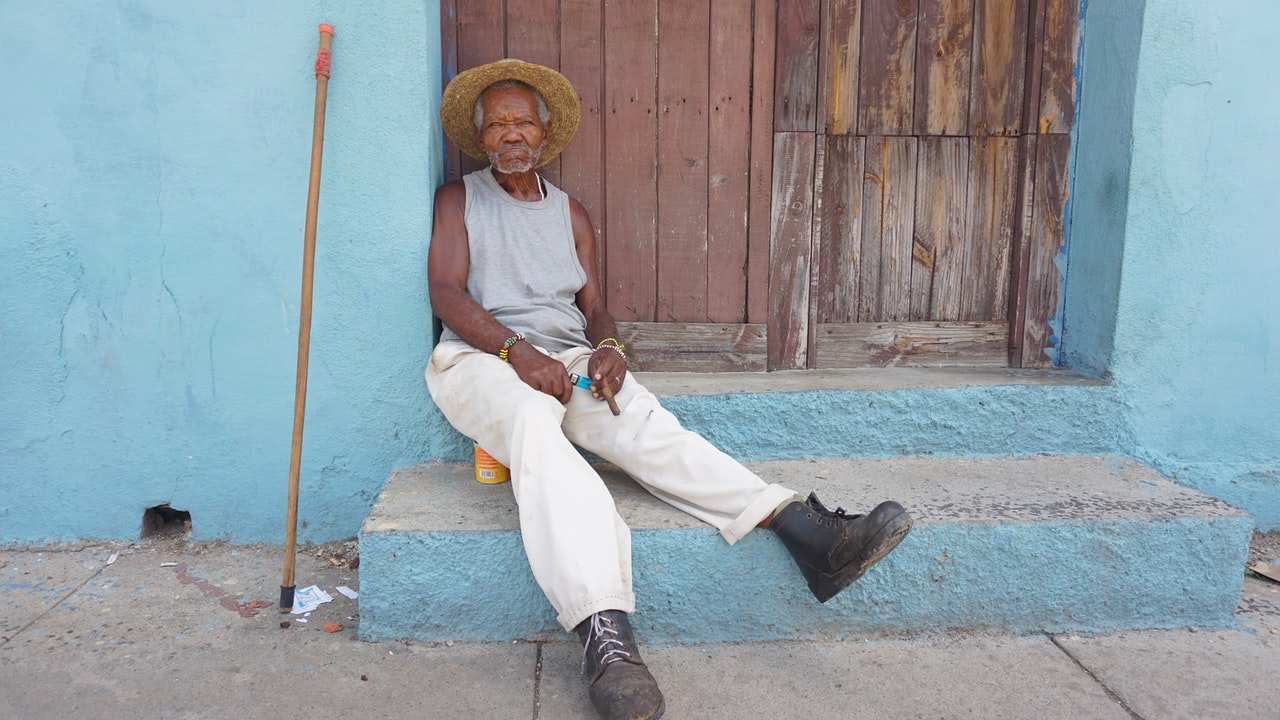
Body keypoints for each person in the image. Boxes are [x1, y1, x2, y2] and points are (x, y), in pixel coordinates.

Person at [426, 59, 912, 720]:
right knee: (536, 431)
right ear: (481, 137)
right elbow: (446, 293)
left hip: (563, 358)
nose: (511, 135)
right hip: (483, 359)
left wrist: (608, 348)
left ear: (545, 133)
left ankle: (804, 529)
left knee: (641, 422)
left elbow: (594, 305)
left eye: (523, 122)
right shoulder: (460, 199)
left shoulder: (571, 213)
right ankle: (605, 636)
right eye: (497, 125)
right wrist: (515, 350)